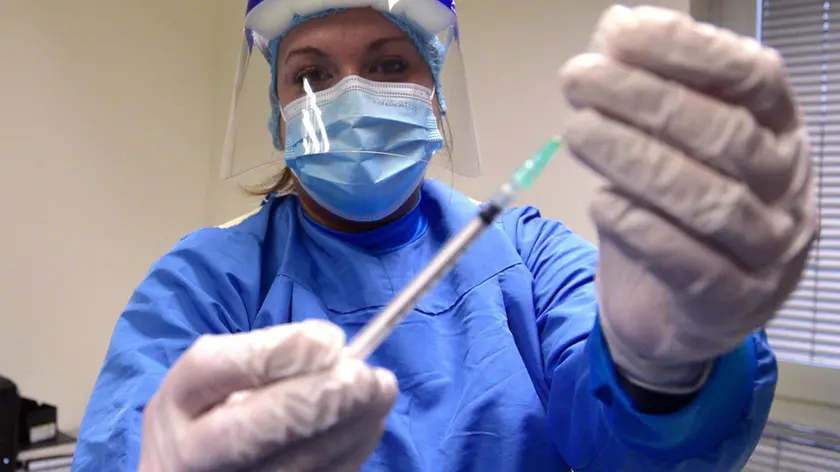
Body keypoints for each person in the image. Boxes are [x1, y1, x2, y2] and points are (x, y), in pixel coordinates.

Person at [71, 2, 817, 471]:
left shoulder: (529, 255)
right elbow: (125, 436)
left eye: (390, 64)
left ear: (435, 99)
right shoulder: (206, 281)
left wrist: (663, 371)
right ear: (277, 118)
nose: (350, 94)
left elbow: (633, 454)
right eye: (311, 74)